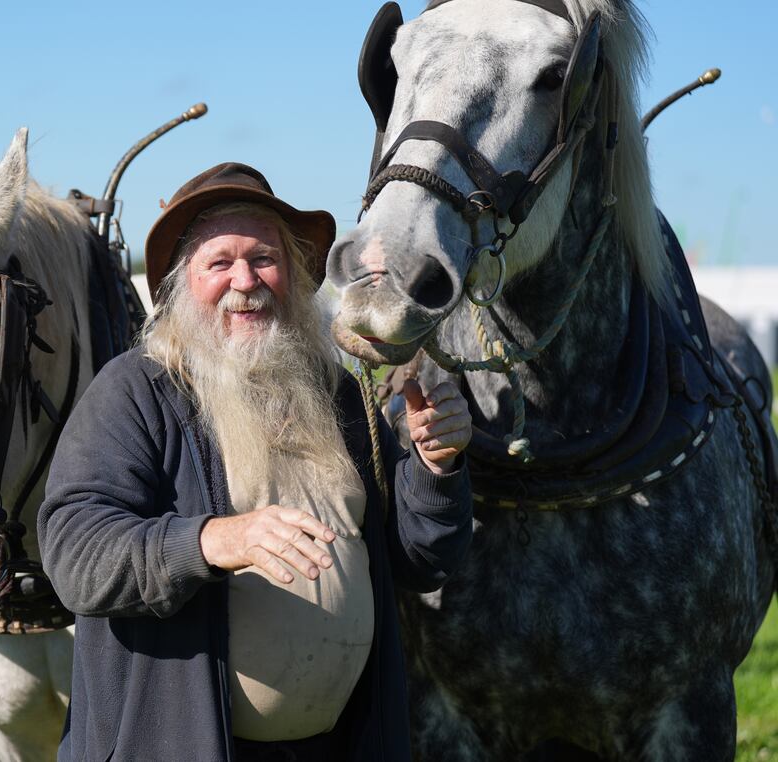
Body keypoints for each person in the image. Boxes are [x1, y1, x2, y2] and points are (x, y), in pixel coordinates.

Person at [38, 163, 474, 761]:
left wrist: (435, 467)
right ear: (180, 283)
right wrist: (215, 541)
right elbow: (75, 555)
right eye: (220, 263)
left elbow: (422, 561)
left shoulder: (338, 394)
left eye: (265, 258)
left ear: (294, 274)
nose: (246, 279)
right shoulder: (134, 391)